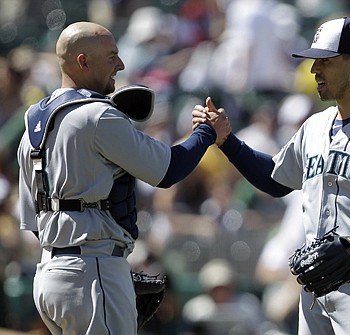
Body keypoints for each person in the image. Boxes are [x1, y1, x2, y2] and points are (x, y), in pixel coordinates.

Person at [193, 17, 350, 335]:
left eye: (324, 61)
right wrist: (227, 141)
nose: (314, 70)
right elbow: (274, 179)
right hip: (318, 282)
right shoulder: (315, 126)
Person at [16, 22, 230, 335]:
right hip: (91, 271)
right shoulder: (97, 115)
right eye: (112, 56)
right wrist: (207, 132)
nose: (121, 64)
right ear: (83, 61)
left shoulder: (32, 128)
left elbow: (34, 223)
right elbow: (168, 170)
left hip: (49, 276)